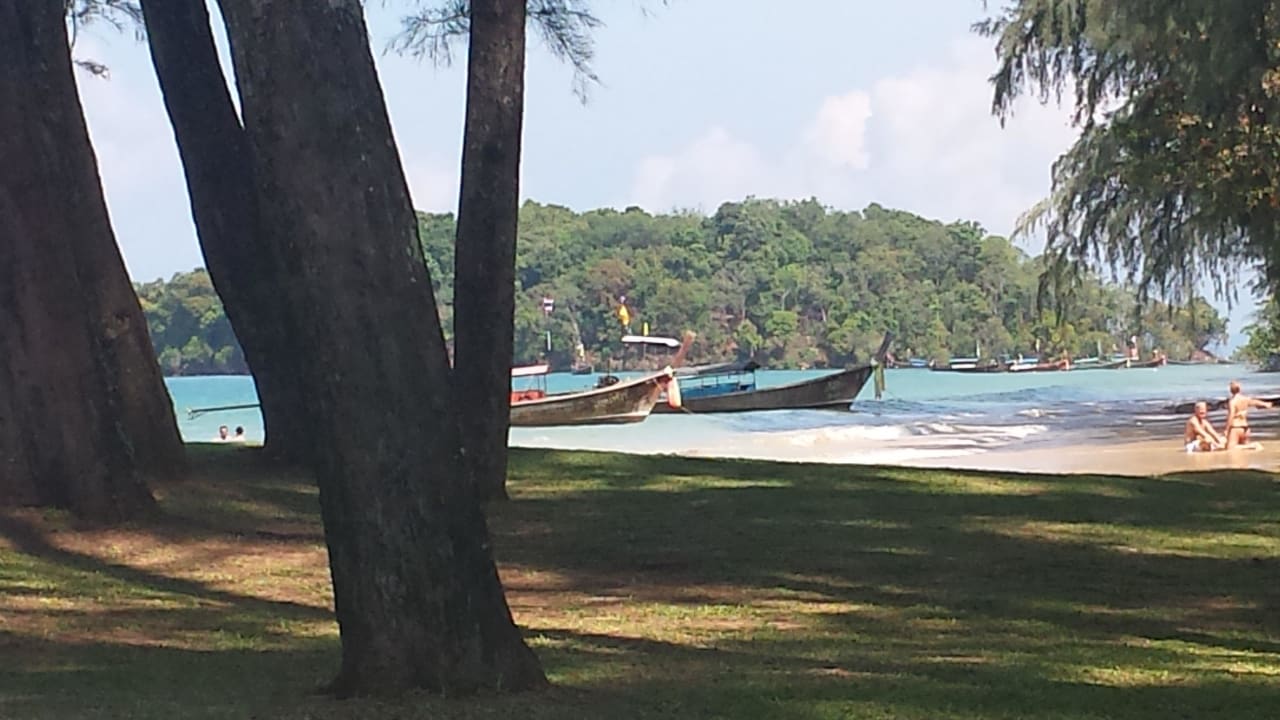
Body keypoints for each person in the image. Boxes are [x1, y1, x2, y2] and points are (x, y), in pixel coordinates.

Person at [1225, 381, 1273, 449]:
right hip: (1245, 428)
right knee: (1244, 449)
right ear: (1240, 389)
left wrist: (1226, 429)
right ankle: (1251, 446)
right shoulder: (1245, 399)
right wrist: (1265, 404)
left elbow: (1231, 415)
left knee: (1230, 448)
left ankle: (1253, 445)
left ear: (1230, 390)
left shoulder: (1232, 401)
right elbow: (1254, 402)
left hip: (1236, 427)